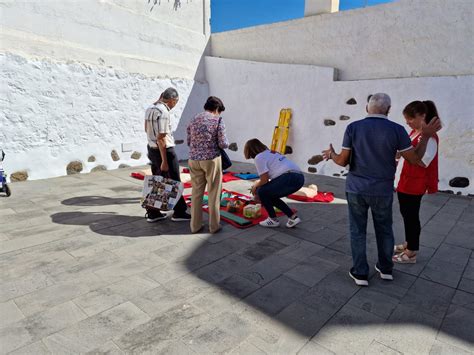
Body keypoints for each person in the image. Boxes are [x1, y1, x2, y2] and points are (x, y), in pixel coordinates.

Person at [322, 93, 441, 286]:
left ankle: (360, 273)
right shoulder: (397, 130)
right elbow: (415, 159)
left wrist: (332, 154)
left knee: (357, 230)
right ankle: (386, 269)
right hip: (382, 190)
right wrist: (425, 137)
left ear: (367, 108)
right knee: (385, 230)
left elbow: (343, 160)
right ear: (389, 109)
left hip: (356, 188)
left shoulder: (353, 127)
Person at [393, 101, 440, 264]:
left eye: (410, 118)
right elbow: (408, 151)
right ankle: (409, 243)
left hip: (413, 184)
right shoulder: (415, 132)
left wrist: (408, 153)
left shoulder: (430, 138)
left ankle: (411, 252)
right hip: (405, 181)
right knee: (407, 215)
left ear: (422, 116)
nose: (407, 122)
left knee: (411, 217)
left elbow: (421, 161)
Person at [144, 87, 191, 223]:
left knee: (158, 180)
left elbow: (145, 129)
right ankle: (179, 211)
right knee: (174, 180)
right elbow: (161, 138)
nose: (175, 105)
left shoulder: (150, 108)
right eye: (175, 102)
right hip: (164, 150)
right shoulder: (164, 112)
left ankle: (153, 212)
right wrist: (164, 160)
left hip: (152, 149)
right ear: (171, 100)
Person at [187, 96, 229, 233]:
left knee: (196, 193)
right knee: (214, 193)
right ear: (217, 109)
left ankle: (195, 226)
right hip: (211, 159)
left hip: (193, 159)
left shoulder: (193, 119)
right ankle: (214, 226)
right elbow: (223, 143)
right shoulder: (218, 120)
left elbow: (189, 141)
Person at [244, 139, 304, 228]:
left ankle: (273, 220)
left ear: (250, 150)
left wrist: (255, 186)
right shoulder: (271, 152)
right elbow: (267, 179)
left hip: (288, 177)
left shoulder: (259, 157)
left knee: (262, 191)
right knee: (269, 194)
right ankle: (293, 217)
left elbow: (264, 180)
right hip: (299, 178)